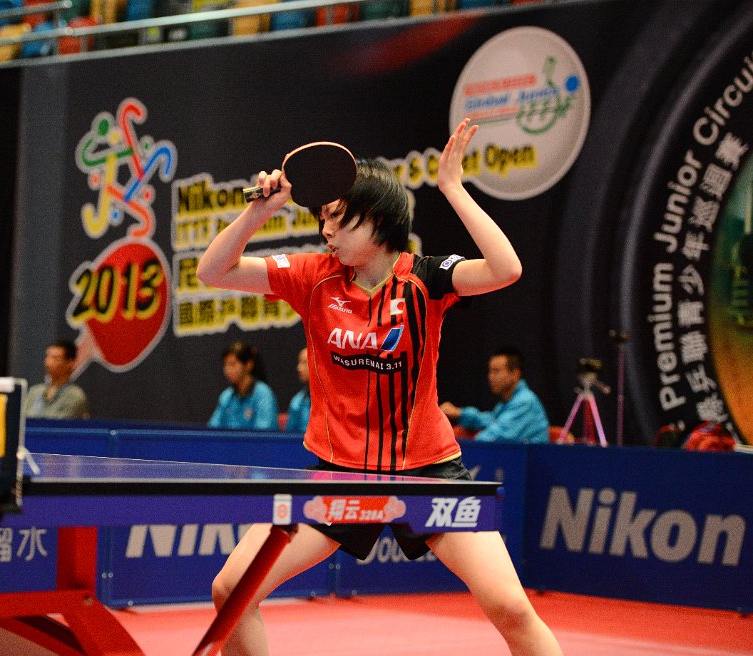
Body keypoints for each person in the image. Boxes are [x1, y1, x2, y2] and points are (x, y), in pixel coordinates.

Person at [196, 118, 562, 655]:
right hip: (339, 474)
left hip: (428, 472)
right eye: (323, 218)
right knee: (231, 589)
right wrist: (259, 212)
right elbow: (212, 271)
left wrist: (453, 187)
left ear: (378, 219)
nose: (327, 230)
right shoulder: (312, 276)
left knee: (511, 607)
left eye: (339, 218)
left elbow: (506, 269)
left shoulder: (426, 279)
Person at [440, 347, 550, 444]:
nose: (490, 377)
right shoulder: (507, 402)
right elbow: (490, 420)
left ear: (515, 374)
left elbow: (494, 437)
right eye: (490, 371)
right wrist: (460, 413)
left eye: (496, 371)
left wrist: (457, 447)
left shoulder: (525, 402)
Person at [207, 341, 279, 430]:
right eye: (225, 365)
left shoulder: (263, 394)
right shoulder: (226, 396)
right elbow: (213, 428)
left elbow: (264, 432)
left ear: (248, 365)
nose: (227, 370)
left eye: (232, 364)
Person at [24, 339, 90, 419]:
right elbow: (22, 420)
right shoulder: (34, 392)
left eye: (55, 358)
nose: (48, 363)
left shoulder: (75, 396)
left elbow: (60, 423)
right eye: (47, 357)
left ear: (69, 363)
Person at [283, 346, 310, 432]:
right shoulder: (297, 402)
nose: (299, 368)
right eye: (299, 362)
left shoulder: (332, 400)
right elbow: (289, 436)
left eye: (305, 363)